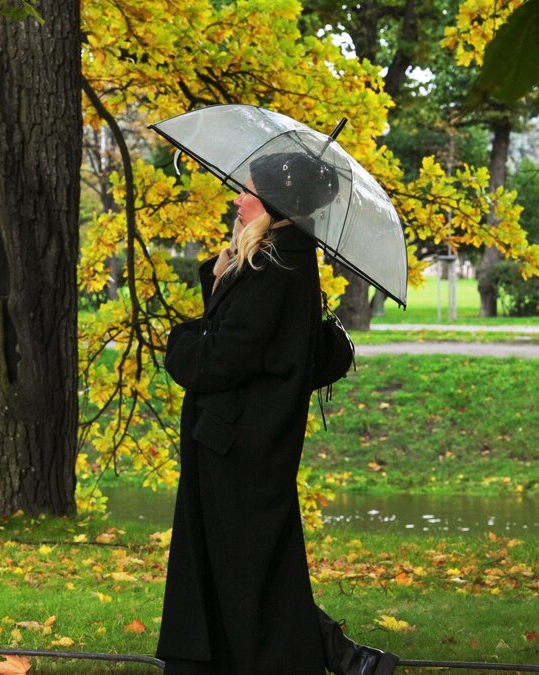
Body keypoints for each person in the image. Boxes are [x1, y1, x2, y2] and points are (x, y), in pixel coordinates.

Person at [156, 152, 398, 675]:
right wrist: (220, 279)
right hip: (240, 439)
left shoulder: (276, 265)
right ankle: (338, 659)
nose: (237, 198)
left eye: (246, 191)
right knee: (245, 564)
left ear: (272, 202)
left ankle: (341, 657)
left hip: (242, 444)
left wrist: (178, 341)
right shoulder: (274, 259)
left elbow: (223, 357)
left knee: (252, 567)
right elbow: (246, 340)